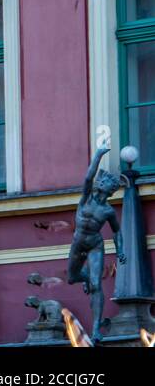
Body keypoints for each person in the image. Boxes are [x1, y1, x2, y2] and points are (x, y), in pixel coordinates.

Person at [66, 143, 126, 342]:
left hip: (94, 245)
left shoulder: (108, 211)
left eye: (110, 186)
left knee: (96, 285)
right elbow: (87, 177)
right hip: (78, 244)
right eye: (106, 183)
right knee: (72, 277)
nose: (106, 187)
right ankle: (85, 279)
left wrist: (120, 251)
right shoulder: (86, 198)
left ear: (110, 191)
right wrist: (98, 155)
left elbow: (117, 232)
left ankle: (96, 330)